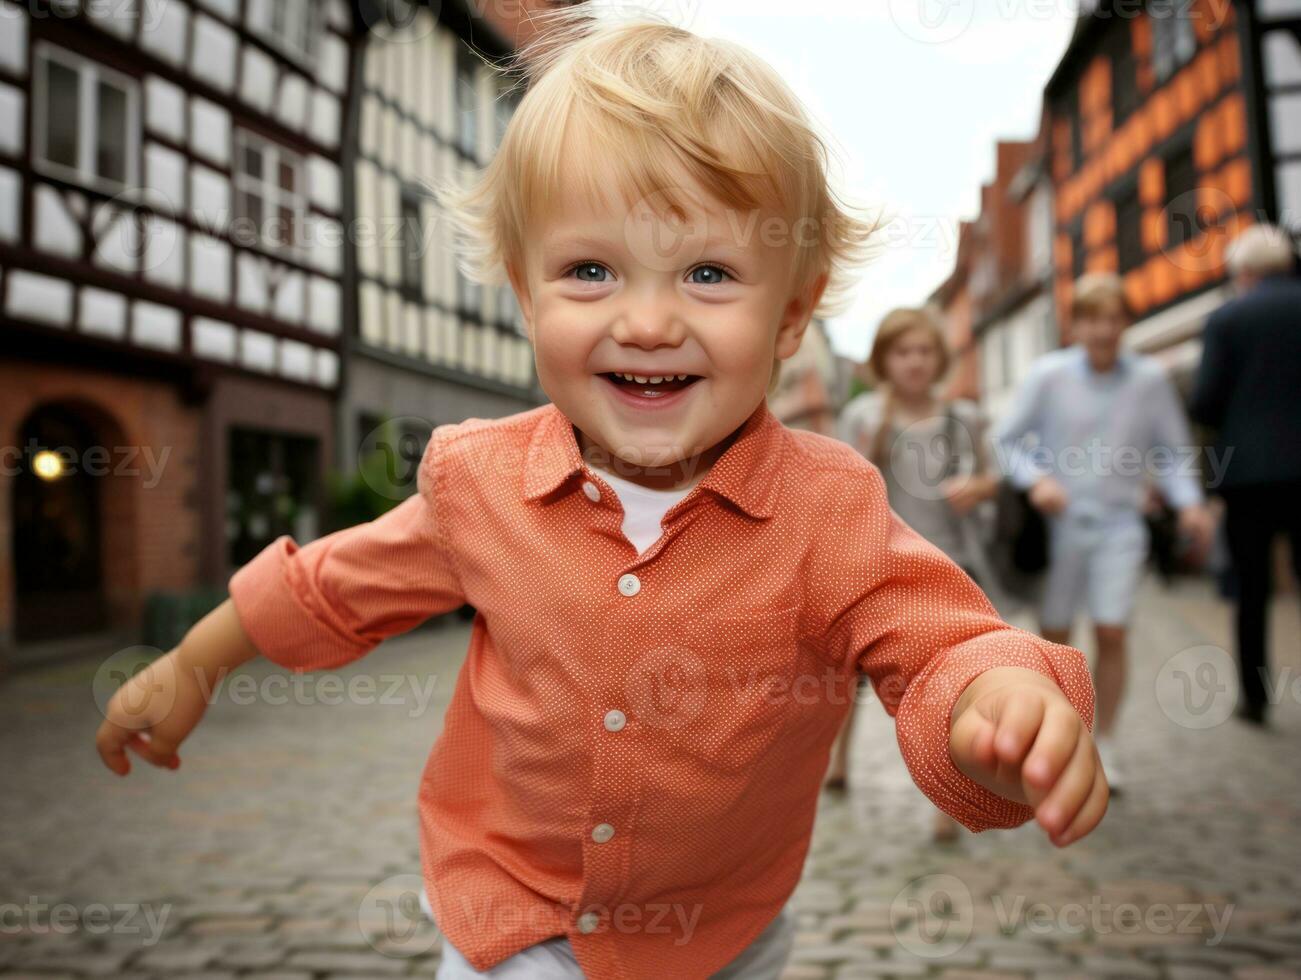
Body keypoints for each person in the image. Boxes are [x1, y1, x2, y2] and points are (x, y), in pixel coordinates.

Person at [95, 15, 1106, 980]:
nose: (649, 319)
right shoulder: (474, 481)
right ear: (525, 294)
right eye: (590, 270)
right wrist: (194, 662)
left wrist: (992, 698)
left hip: (724, 926)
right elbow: (328, 586)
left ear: (790, 314)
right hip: (512, 906)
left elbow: (930, 639)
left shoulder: (827, 505)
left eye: (708, 272)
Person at [994, 272, 1214, 794]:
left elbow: (1172, 453)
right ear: (1076, 325)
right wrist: (1036, 479)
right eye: (1091, 318)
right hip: (1059, 525)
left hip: (1120, 525)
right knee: (1057, 638)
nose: (1102, 329)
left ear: (1125, 324)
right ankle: (1057, 740)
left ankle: (1104, 743)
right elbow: (1007, 441)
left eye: (1113, 318)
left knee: (1112, 631)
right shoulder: (1048, 376)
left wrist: (1190, 505)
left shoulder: (1149, 382)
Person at [830, 306, 1003, 844]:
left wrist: (979, 487)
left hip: (952, 566)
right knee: (846, 680)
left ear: (939, 360)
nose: (914, 362)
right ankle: (836, 762)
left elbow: (994, 474)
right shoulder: (862, 417)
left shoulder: (963, 418)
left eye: (925, 352)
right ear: (885, 359)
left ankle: (946, 800)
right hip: (879, 568)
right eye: (904, 352)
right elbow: (838, 486)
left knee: (946, 689)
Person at [1190, 224, 1301, 728]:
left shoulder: (1227, 319)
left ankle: (1255, 698)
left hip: (1249, 476)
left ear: (1245, 273)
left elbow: (1205, 402)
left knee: (1251, 587)